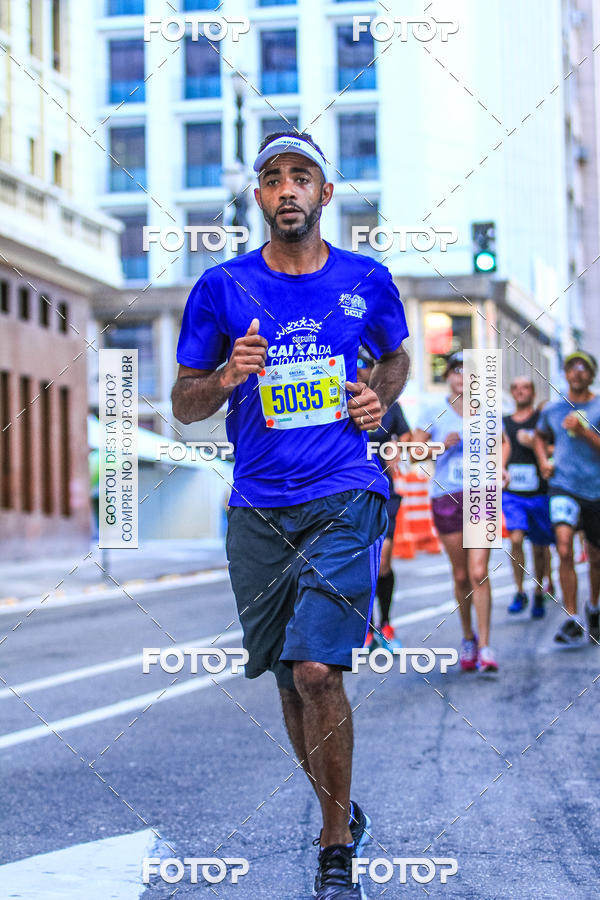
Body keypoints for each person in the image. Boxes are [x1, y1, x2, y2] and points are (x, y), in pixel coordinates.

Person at [172, 130, 410, 899]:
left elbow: (397, 356)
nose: (287, 189)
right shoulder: (222, 287)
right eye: (273, 177)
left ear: (324, 193)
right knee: (287, 681)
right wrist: (224, 377)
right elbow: (183, 403)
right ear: (259, 197)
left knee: (316, 669)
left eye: (301, 176)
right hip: (258, 508)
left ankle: (334, 849)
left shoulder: (367, 279)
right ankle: (343, 813)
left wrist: (378, 397)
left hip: (345, 490)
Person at [412, 351, 498, 673]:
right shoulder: (432, 411)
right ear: (447, 376)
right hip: (446, 497)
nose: (462, 377)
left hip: (481, 494)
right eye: (456, 370)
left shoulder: (489, 411)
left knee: (479, 572)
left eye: (468, 371)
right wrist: (441, 446)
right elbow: (413, 452)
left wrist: (501, 469)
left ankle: (486, 647)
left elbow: (502, 444)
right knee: (461, 575)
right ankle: (468, 638)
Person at [534, 351, 600, 645]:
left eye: (583, 367)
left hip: (595, 489)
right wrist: (543, 462)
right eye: (572, 367)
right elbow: (539, 436)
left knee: (596, 557)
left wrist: (583, 431)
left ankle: (594, 607)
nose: (577, 372)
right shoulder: (553, 409)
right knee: (563, 548)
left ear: (592, 374)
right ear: (565, 374)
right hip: (563, 486)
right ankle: (572, 617)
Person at [356, 346, 411, 652]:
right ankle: (365, 627)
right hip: (352, 493)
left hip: (385, 491)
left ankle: (386, 624)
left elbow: (407, 439)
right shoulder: (339, 403)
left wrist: (399, 449)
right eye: (354, 363)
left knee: (383, 559)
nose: (359, 369)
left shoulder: (389, 405)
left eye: (365, 364)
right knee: (360, 563)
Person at [501, 377, 555, 618]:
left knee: (540, 547)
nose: (520, 391)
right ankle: (519, 590)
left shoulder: (542, 420)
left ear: (533, 393)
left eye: (525, 388)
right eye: (515, 388)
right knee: (515, 539)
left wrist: (534, 443)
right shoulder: (504, 423)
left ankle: (539, 590)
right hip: (513, 494)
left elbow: (555, 449)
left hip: (540, 493)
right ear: (512, 393)